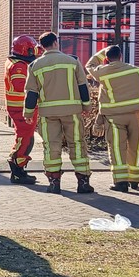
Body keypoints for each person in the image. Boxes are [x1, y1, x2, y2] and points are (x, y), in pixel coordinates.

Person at [85, 45, 139, 191]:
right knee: (136, 147)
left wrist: (104, 51)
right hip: (136, 116)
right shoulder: (138, 71)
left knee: (116, 148)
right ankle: (134, 180)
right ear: (121, 56)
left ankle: (120, 182)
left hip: (114, 117)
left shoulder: (103, 72)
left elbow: (90, 64)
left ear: (107, 59)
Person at [23, 31, 93, 194]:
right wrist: (87, 107)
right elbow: (83, 86)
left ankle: (54, 183)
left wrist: (28, 114)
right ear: (56, 42)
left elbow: (31, 93)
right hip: (72, 112)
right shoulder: (72, 61)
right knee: (76, 144)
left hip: (48, 114)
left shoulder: (34, 66)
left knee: (51, 147)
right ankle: (83, 183)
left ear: (42, 47)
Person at [4, 35, 40, 185]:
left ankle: (20, 169)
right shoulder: (19, 65)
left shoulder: (16, 62)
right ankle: (17, 170)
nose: (35, 52)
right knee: (24, 138)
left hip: (20, 106)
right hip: (20, 107)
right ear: (26, 49)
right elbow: (21, 86)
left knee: (26, 137)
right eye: (32, 49)